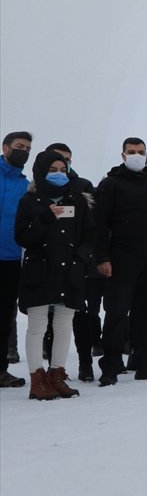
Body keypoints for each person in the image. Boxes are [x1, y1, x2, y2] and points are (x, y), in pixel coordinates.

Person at [94, 137, 147, 385]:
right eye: (131, 152)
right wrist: (102, 257)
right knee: (117, 312)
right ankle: (111, 365)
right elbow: (99, 224)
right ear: (122, 155)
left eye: (140, 152)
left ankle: (146, 363)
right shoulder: (110, 185)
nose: (136, 155)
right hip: (120, 259)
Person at [14, 151, 90, 399]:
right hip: (40, 271)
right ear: (41, 171)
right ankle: (37, 380)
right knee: (37, 327)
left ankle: (57, 375)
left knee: (64, 325)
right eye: (52, 170)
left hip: (70, 271)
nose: (58, 174)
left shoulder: (77, 200)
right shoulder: (29, 200)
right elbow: (22, 237)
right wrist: (46, 217)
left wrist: (80, 260)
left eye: (62, 169)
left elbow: (89, 236)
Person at [45, 143, 103, 381]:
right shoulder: (37, 190)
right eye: (57, 161)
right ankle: (52, 367)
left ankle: (85, 364)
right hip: (49, 263)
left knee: (81, 314)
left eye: (66, 161)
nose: (62, 166)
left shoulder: (83, 187)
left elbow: (90, 227)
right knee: (50, 317)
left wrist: (82, 257)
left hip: (78, 263)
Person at [0, 131, 32, 388]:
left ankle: (1, 369)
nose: (24, 151)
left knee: (3, 317)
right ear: (6, 147)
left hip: (11, 258)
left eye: (28, 148)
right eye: (19, 146)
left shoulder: (25, 185)